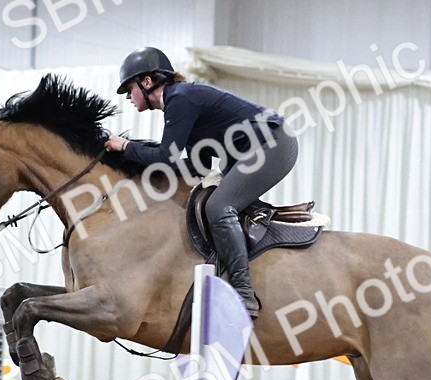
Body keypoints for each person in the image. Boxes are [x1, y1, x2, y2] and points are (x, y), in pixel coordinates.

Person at [105, 46, 298, 319]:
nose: (127, 96)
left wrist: (125, 147)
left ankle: (244, 294)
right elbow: (198, 166)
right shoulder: (181, 102)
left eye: (129, 88)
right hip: (252, 150)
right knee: (210, 199)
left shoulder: (180, 100)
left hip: (274, 144)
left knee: (218, 207)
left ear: (147, 82)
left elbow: (166, 157)